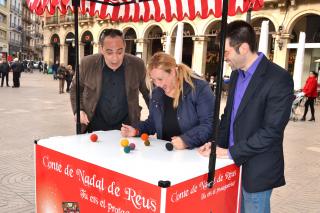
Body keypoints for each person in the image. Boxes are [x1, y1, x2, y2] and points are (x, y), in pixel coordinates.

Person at [198, 20, 294, 213]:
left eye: (226, 52)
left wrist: (231, 152)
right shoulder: (235, 75)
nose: (223, 58)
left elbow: (271, 132)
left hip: (257, 170)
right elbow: (228, 117)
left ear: (243, 48)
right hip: (230, 168)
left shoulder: (278, 78)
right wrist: (217, 144)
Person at [121, 52, 215, 149]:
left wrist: (186, 140)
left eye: (160, 79)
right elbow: (152, 123)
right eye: (154, 80)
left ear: (173, 72)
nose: (157, 84)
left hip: (198, 153)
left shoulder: (199, 88)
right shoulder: (157, 93)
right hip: (167, 154)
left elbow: (210, 124)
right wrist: (136, 130)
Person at [70, 29, 149, 133]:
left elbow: (149, 94)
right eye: (109, 52)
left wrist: (157, 120)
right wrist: (78, 110)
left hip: (127, 130)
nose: (115, 59)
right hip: (93, 129)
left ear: (125, 47)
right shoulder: (87, 64)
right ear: (101, 49)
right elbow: (75, 89)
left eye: (120, 52)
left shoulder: (137, 65)